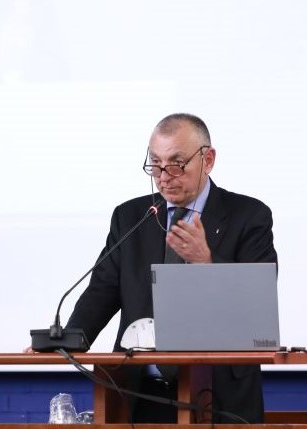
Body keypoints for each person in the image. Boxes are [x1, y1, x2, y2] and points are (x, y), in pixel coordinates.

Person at [66, 113, 278, 423]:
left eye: (176, 164)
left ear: (208, 159)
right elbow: (103, 290)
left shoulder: (249, 216)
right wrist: (66, 340)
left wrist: (206, 262)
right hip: (140, 392)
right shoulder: (131, 216)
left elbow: (257, 302)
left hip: (219, 396)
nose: (164, 176)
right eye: (155, 164)